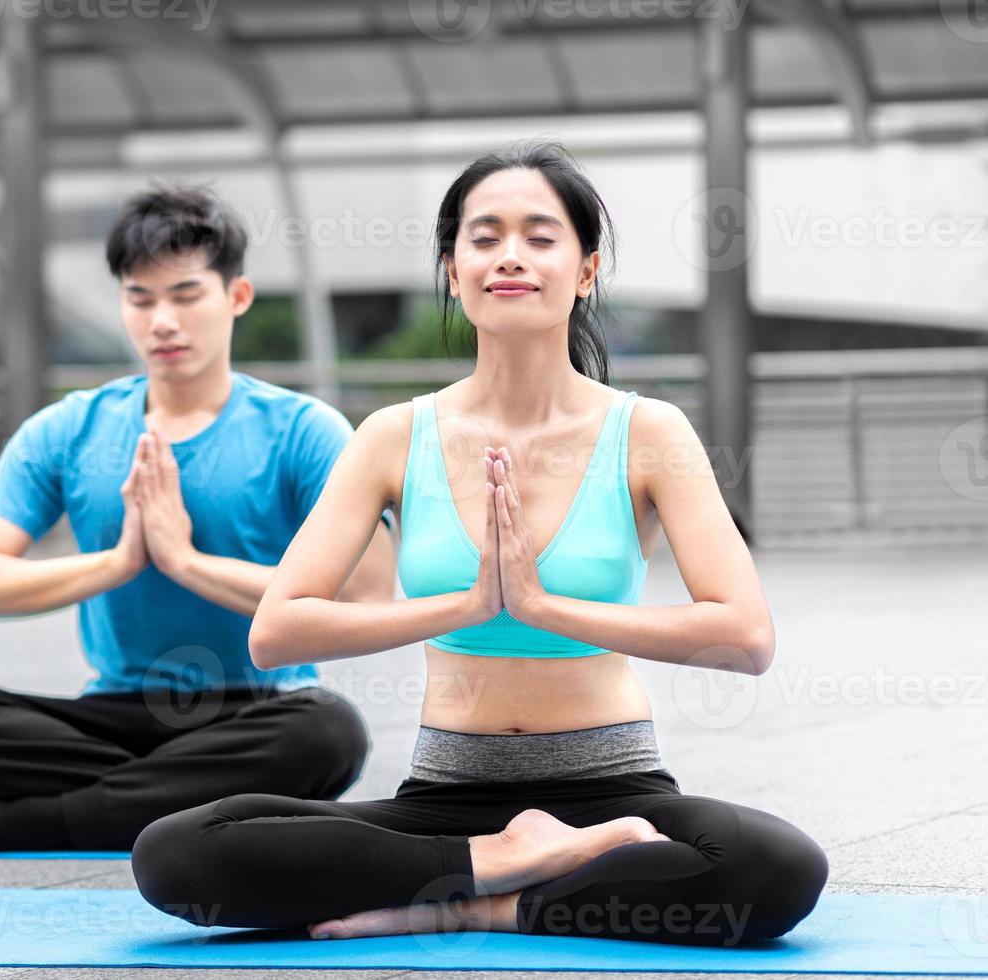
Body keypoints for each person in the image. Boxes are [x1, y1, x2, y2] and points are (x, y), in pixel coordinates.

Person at [131, 141, 829, 946]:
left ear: (587, 269)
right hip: (445, 795)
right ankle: (497, 858)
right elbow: (279, 628)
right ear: (454, 270)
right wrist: (463, 605)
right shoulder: (394, 435)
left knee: (777, 868)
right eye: (484, 236)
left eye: (540, 236)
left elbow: (744, 637)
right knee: (177, 853)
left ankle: (478, 899)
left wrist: (542, 606)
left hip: (615, 791)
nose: (510, 257)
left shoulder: (648, 433)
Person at [0, 185, 395, 853]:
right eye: (140, 299)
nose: (162, 322)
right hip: (112, 713)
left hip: (258, 712)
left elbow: (366, 598)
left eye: (184, 295)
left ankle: (11, 825)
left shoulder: (304, 431)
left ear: (236, 296)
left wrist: (188, 563)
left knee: (329, 735)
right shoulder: (68, 429)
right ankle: (177, 804)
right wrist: (119, 563)